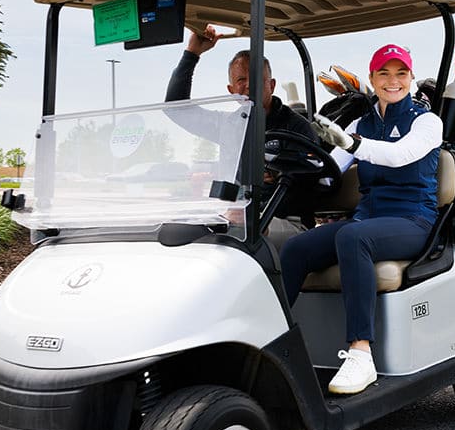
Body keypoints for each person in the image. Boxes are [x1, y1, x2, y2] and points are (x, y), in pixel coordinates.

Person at [280, 44, 441, 395]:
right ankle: (268, 338)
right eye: (384, 73)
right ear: (372, 78)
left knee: (353, 238)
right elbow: (331, 171)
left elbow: (400, 155)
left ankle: (360, 353)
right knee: (295, 248)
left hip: (413, 220)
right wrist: (293, 164)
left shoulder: (426, 122)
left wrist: (352, 144)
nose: (392, 81)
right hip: (369, 219)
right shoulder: (362, 122)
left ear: (411, 78)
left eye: (401, 73)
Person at [165, 24, 319, 245]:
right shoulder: (228, 125)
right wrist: (192, 54)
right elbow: (175, 109)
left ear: (271, 84)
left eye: (256, 77)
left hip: (287, 221)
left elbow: (305, 186)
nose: (249, 85)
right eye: (241, 80)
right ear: (231, 90)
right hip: (236, 215)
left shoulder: (297, 127)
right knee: (178, 233)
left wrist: (269, 185)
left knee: (236, 232)